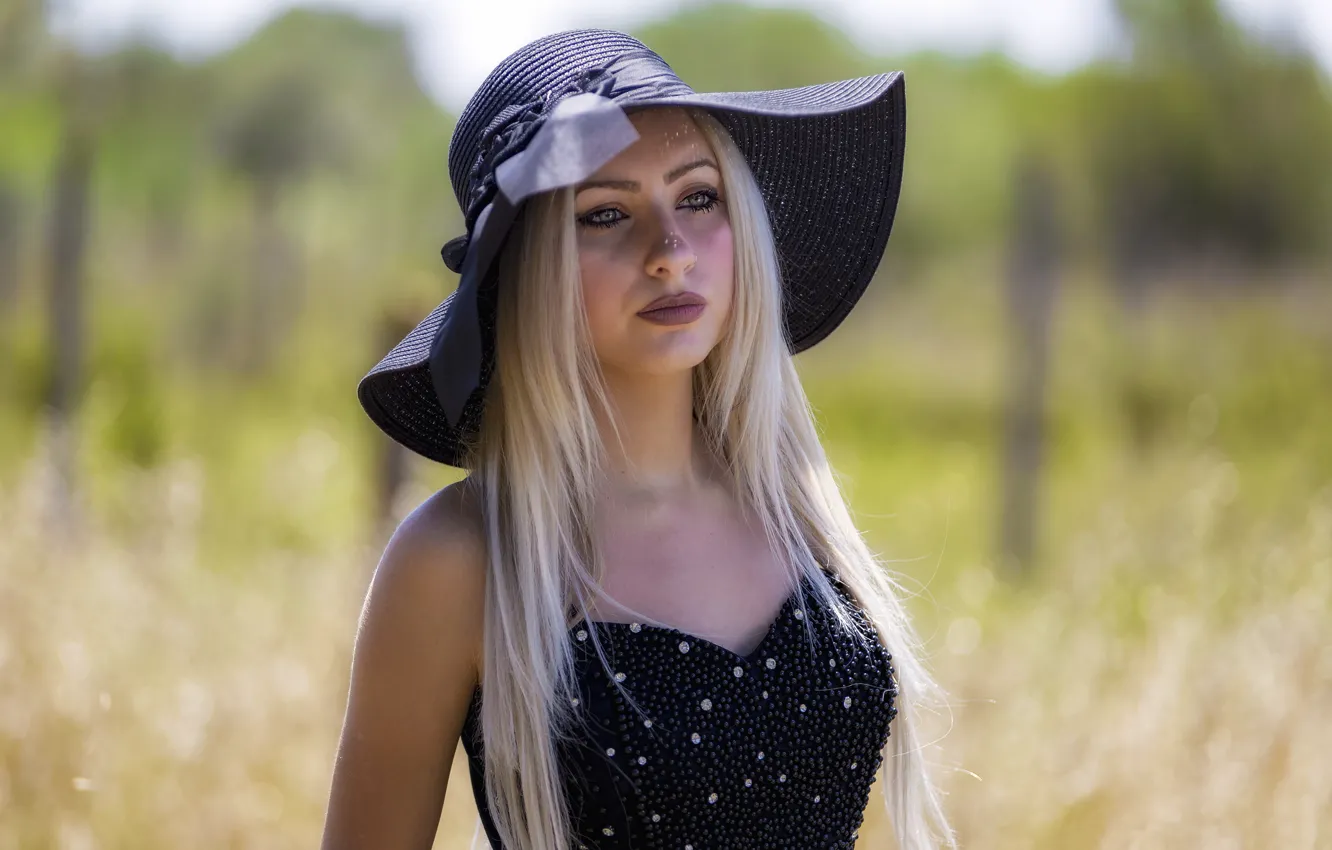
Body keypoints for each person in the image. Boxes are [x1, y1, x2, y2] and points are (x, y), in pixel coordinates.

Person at [321, 28, 955, 850]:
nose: (669, 252)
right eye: (606, 214)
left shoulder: (792, 500)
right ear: (527, 271)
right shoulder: (459, 557)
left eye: (698, 197)